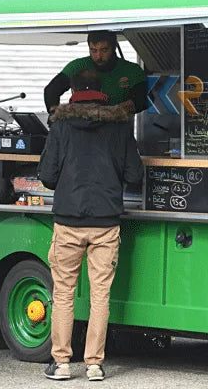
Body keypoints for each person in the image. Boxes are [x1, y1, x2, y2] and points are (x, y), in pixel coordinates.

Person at [39, 70, 143, 382]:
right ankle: (94, 364)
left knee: (64, 292)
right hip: (106, 223)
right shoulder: (120, 127)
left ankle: (61, 363)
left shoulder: (60, 126)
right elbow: (135, 174)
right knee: (100, 294)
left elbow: (47, 175)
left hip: (68, 222)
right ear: (103, 92)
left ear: (72, 92)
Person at [44, 31, 147, 115]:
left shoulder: (132, 71)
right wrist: (56, 118)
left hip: (117, 130)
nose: (99, 56)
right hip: (81, 129)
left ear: (114, 48)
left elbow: (140, 101)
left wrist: (111, 114)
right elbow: (51, 91)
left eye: (104, 50)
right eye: (93, 50)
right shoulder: (77, 66)